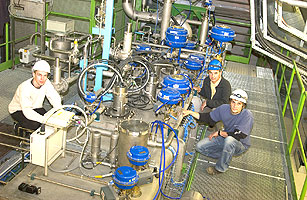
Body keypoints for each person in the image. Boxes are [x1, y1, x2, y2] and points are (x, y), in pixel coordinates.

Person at [183, 89, 254, 175]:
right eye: (233, 102)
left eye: (239, 104)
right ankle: (225, 155)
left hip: (240, 144)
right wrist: (190, 112)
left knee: (230, 140)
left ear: (243, 106)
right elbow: (208, 118)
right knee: (199, 147)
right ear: (230, 102)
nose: (235, 106)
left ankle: (220, 168)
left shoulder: (247, 115)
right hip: (225, 138)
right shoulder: (224, 108)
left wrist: (220, 133)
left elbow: (240, 135)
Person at [8, 60, 62, 135]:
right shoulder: (25, 88)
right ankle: (18, 126)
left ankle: (31, 133)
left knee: (47, 121)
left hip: (35, 106)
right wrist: (43, 120)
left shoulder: (46, 82)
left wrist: (60, 111)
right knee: (34, 124)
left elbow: (54, 97)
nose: (42, 78)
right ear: (33, 74)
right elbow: (27, 111)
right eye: (39, 75)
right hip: (18, 110)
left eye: (45, 75)